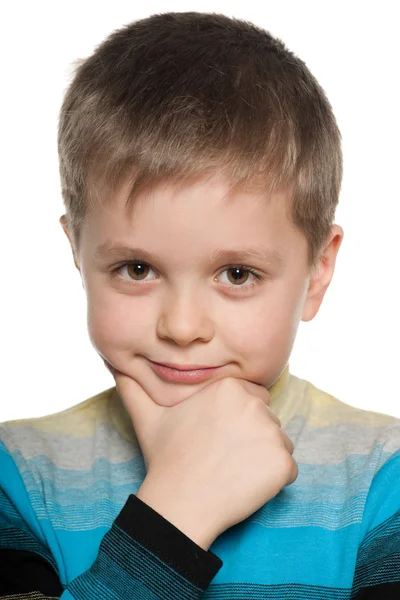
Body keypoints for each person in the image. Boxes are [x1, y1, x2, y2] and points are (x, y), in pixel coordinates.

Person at [1, 11, 399, 599]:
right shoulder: (17, 477)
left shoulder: (383, 482)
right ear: (78, 254)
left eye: (237, 274)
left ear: (318, 271)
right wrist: (174, 517)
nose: (182, 327)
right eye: (136, 269)